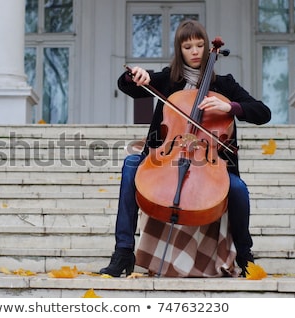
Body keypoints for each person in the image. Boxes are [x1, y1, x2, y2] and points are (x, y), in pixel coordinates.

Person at [99, 20, 271, 277]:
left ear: (207, 48)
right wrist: (134, 75)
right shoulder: (168, 80)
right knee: (130, 166)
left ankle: (245, 255)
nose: (195, 51)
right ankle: (123, 251)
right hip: (166, 156)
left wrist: (230, 107)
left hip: (209, 161)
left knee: (238, 189)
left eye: (200, 45)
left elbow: (263, 112)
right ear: (180, 50)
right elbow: (128, 87)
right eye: (188, 45)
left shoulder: (224, 85)